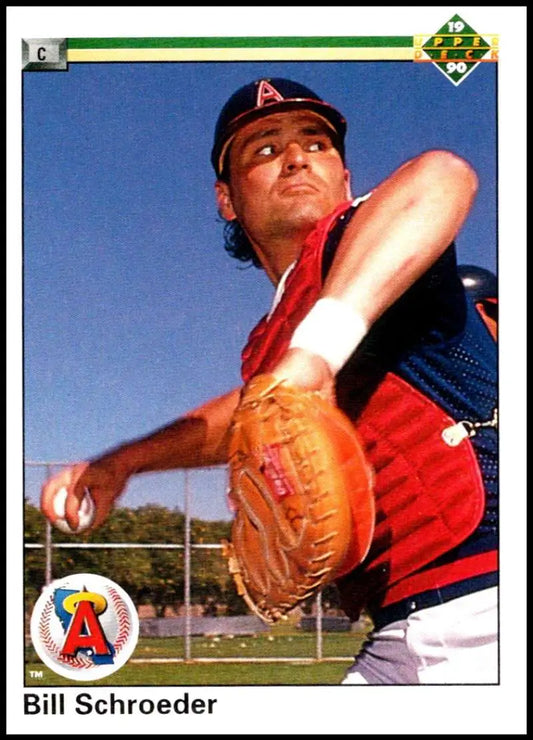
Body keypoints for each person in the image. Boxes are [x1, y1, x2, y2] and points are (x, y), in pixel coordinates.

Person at [40, 77, 498, 685]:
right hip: (411, 624)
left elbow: (442, 176)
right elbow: (248, 411)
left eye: (317, 143)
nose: (295, 156)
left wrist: (315, 353)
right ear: (226, 199)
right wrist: (125, 462)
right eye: (263, 149)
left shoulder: (367, 244)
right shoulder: (271, 342)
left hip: (485, 603)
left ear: (346, 178)